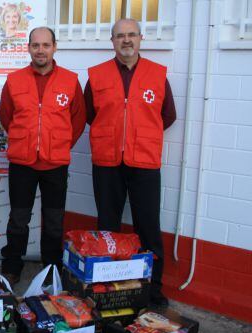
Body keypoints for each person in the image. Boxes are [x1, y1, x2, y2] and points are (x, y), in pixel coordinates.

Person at [85, 18, 176, 307]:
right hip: (107, 162)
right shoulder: (97, 76)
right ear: (112, 41)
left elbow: (168, 115)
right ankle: (105, 286)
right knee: (108, 226)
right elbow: (90, 114)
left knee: (148, 226)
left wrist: (140, 136)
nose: (126, 40)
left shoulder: (158, 74)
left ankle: (153, 289)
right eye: (120, 35)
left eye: (131, 35)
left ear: (140, 39)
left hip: (144, 162)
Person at [0, 27, 87, 284]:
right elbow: (7, 117)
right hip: (22, 162)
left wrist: (57, 143)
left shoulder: (70, 80)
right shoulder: (14, 79)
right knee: (18, 218)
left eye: (45, 45)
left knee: (53, 220)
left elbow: (78, 120)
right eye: (35, 45)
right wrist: (26, 139)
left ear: (54, 47)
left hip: (55, 163)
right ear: (28, 48)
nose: (40, 50)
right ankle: (12, 265)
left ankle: (51, 268)